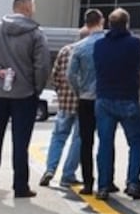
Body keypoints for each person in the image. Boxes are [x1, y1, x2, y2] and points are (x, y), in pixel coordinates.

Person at [0, 0, 49, 199]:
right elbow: (42, 65)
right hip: (25, 94)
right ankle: (20, 186)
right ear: (26, 8)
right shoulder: (36, 34)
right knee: (21, 143)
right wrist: (37, 89)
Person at [41, 11, 103, 187]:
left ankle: (50, 169)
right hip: (84, 101)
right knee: (79, 138)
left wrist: (62, 92)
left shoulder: (64, 51)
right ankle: (68, 173)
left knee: (58, 136)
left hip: (65, 103)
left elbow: (55, 77)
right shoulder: (92, 49)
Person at [93, 7, 140, 200]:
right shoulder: (134, 43)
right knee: (137, 141)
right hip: (128, 97)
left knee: (105, 143)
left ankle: (103, 185)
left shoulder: (99, 45)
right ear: (127, 24)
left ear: (109, 24)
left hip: (104, 98)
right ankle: (133, 182)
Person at [65, 8, 105, 189]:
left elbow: (70, 75)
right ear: (101, 21)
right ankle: (106, 181)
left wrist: (79, 90)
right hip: (105, 96)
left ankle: (88, 181)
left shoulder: (80, 47)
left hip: (86, 98)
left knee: (85, 141)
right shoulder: (107, 43)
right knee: (106, 140)